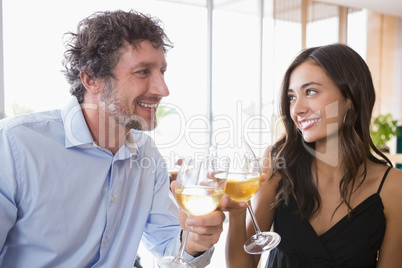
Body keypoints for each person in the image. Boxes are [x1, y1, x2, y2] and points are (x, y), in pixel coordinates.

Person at [0, 10, 226, 267]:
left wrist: (195, 242)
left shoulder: (146, 154)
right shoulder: (14, 146)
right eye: (143, 72)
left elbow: (170, 250)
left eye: (162, 71)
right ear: (91, 79)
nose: (163, 89)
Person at [224, 43, 402, 267]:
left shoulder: (394, 187)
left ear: (350, 98)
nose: (297, 109)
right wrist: (236, 214)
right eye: (291, 97)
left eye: (310, 92)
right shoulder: (278, 164)